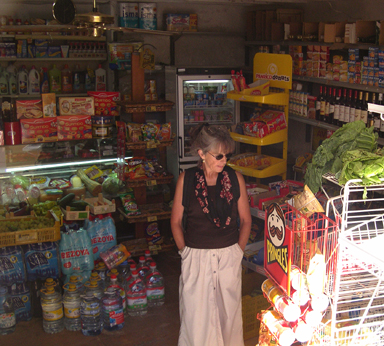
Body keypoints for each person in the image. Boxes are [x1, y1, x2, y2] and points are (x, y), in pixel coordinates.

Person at [171, 124, 252, 346]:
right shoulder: (186, 180)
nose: (223, 160)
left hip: (228, 256)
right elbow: (176, 221)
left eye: (226, 155)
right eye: (218, 155)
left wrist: (237, 251)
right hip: (195, 258)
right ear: (201, 154)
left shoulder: (235, 179)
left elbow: (245, 220)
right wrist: (185, 252)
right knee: (196, 319)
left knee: (229, 318)